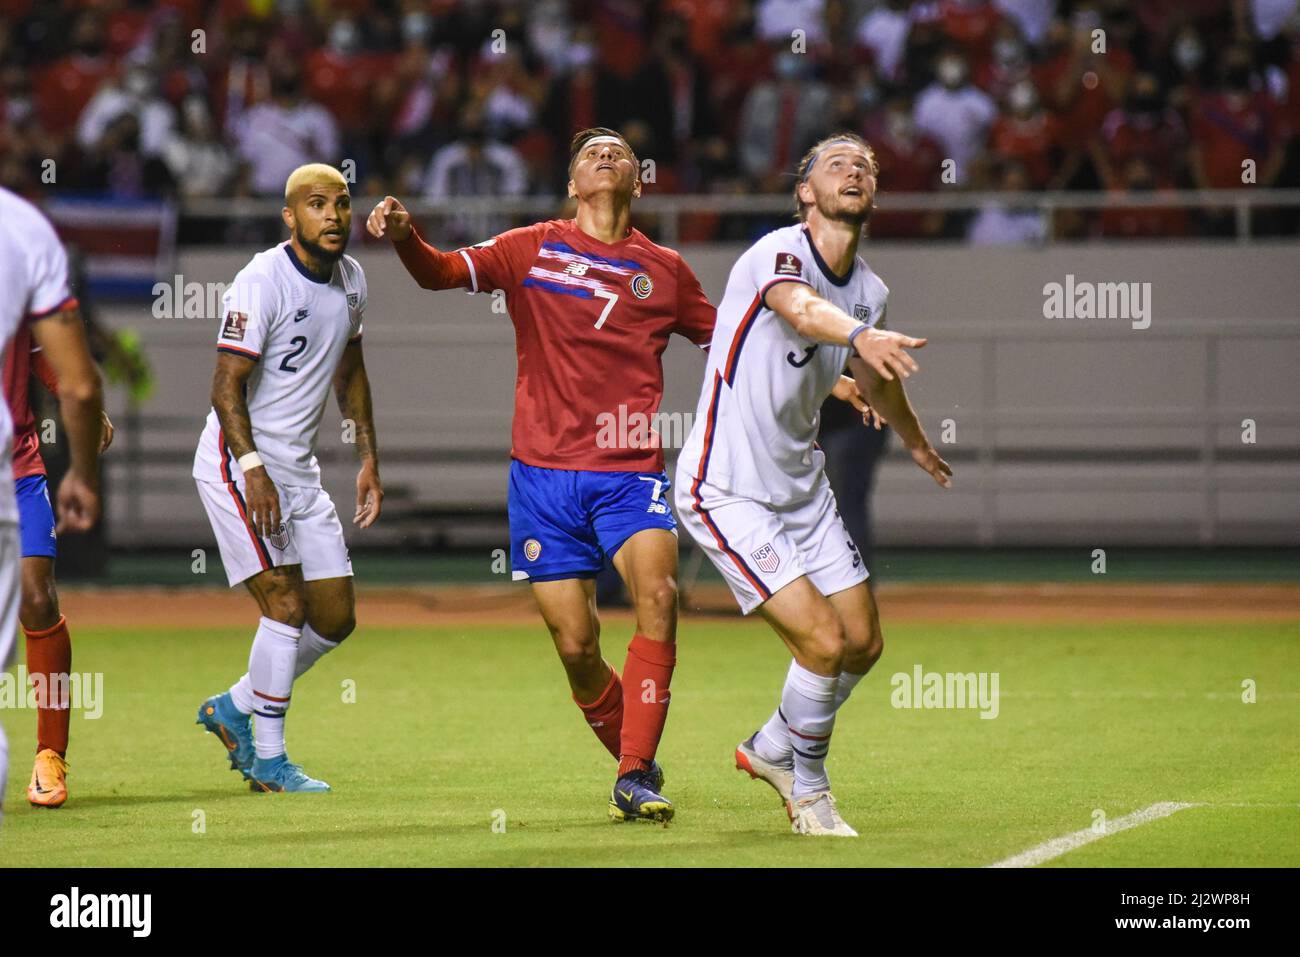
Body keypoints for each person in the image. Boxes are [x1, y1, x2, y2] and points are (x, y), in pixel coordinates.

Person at [366, 127, 714, 823]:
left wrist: (829, 371)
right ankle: (633, 754)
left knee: (661, 594)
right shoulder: (529, 247)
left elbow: (730, 341)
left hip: (628, 472)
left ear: (638, 182)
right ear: (571, 184)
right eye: (591, 153)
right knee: (577, 647)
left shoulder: (666, 270)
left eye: (619, 152)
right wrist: (406, 233)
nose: (607, 158)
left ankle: (634, 772)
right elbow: (436, 272)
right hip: (541, 479)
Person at [675, 134, 952, 837]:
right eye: (837, 163)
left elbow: (875, 375)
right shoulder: (779, 252)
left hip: (803, 490)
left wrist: (914, 437)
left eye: (866, 166)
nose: (854, 171)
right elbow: (800, 311)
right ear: (805, 190)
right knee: (822, 643)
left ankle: (771, 744)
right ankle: (809, 789)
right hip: (727, 488)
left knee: (863, 640)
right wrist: (858, 342)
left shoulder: (870, 291)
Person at [193, 163, 383, 793]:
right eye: (316, 205)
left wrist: (368, 460)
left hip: (301, 471)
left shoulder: (353, 281)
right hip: (239, 463)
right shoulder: (261, 279)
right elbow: (225, 386)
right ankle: (268, 760)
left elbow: (351, 374)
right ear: (290, 216)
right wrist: (252, 469)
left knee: (335, 618)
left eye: (342, 204)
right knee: (285, 604)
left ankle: (235, 705)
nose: (332, 216)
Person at [0, 186, 104, 821]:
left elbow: (51, 355)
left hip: (15, 462)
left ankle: (49, 754)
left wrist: (83, 407)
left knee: (38, 597)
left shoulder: (17, 235)